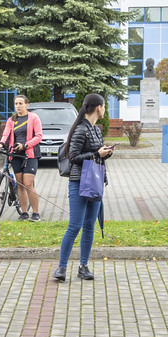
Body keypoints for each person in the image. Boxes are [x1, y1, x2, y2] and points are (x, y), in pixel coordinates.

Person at [53, 93, 115, 282]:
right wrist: (96, 154)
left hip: (94, 182)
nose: (104, 110)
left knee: (89, 226)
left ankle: (83, 266)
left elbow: (95, 154)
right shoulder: (81, 129)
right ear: (98, 108)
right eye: (104, 106)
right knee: (75, 225)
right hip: (79, 182)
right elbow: (73, 157)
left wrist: (105, 153)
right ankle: (61, 267)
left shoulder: (95, 129)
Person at [0, 94, 42, 221]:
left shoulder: (34, 117)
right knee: (20, 184)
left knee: (28, 184)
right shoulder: (11, 120)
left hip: (30, 154)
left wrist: (25, 145)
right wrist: (1, 143)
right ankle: (24, 212)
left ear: (27, 105)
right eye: (16, 104)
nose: (18, 106)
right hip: (16, 154)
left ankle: (36, 213)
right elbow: (5, 134)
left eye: (20, 103)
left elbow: (39, 136)